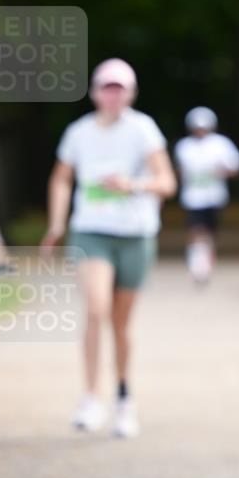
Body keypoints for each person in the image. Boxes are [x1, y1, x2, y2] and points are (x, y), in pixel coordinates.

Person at [41, 58, 177, 438]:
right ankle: (90, 396)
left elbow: (166, 182)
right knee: (96, 309)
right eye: (106, 87)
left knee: (121, 323)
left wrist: (132, 185)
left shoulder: (143, 130)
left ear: (130, 93)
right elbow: (62, 179)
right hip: (91, 231)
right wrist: (57, 222)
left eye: (120, 88)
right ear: (94, 91)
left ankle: (123, 396)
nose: (112, 94)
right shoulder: (78, 133)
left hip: (135, 233)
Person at [174, 107, 239, 284]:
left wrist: (223, 171)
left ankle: (206, 260)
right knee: (196, 230)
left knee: (210, 232)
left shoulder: (221, 144)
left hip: (214, 197)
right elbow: (179, 171)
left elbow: (236, 167)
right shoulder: (184, 147)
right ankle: (197, 264)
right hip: (192, 197)